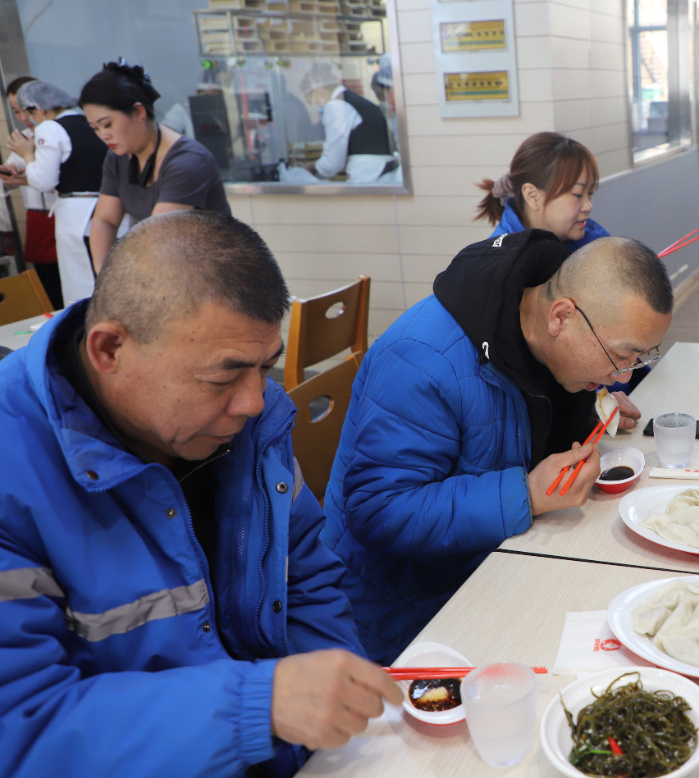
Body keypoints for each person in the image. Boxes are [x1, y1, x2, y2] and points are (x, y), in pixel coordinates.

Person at [0, 211, 401, 778]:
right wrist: (256, 705)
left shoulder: (252, 427)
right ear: (109, 349)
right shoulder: (14, 472)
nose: (254, 402)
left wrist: (329, 716)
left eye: (267, 366)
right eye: (222, 378)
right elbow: (20, 728)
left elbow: (306, 576)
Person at [323, 232, 672, 663]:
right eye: (621, 356)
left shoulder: (543, 326)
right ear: (561, 317)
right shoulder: (421, 360)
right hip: (403, 616)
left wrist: (590, 405)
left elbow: (517, 417)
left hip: (497, 567)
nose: (624, 376)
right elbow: (378, 510)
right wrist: (527, 494)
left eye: (639, 359)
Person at [80, 61, 230, 273]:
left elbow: (156, 235)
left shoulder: (188, 162)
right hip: (157, 270)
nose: (103, 135)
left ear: (139, 112)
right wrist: (104, 277)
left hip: (206, 274)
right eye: (95, 128)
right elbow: (105, 221)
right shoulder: (117, 158)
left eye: (107, 124)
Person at [8, 81, 108, 304]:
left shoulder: (49, 128)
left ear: (39, 108)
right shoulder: (87, 122)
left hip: (77, 217)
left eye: (30, 112)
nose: (30, 119)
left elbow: (43, 181)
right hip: (107, 209)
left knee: (84, 285)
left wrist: (27, 155)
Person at [476, 131, 606, 251]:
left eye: (590, 193)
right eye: (578, 194)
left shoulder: (595, 244)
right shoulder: (503, 261)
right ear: (532, 196)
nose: (588, 206)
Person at [1, 75, 61, 307]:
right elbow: (7, 183)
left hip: (64, 216)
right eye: (16, 112)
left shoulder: (62, 132)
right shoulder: (24, 139)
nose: (23, 118)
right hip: (39, 223)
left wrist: (29, 178)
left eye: (27, 109)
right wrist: (9, 178)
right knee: (50, 295)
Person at [299, 62, 398, 184]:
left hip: (369, 174)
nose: (315, 105)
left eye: (311, 101)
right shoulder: (351, 100)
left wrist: (313, 168)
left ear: (318, 91)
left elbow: (333, 161)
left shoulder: (336, 106)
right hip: (379, 172)